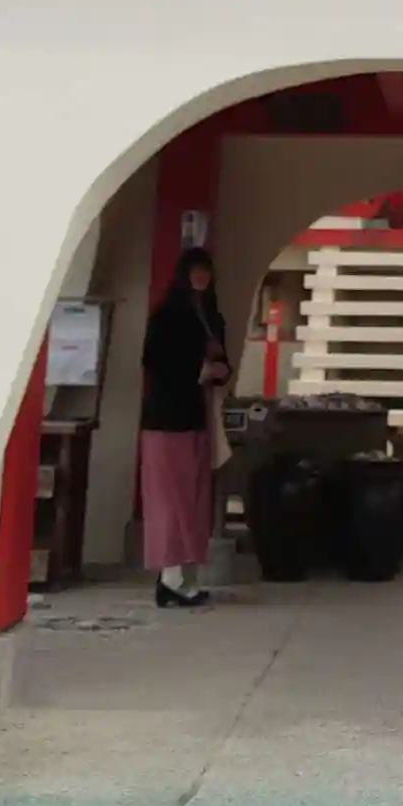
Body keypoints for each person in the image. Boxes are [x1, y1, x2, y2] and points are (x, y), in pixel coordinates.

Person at [140, 247, 231, 608]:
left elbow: (222, 360)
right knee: (170, 499)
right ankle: (171, 577)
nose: (201, 278)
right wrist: (199, 371)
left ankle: (180, 577)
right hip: (167, 419)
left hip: (197, 416)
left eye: (205, 272)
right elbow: (154, 360)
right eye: (195, 272)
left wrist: (220, 372)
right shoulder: (167, 315)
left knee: (192, 499)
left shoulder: (211, 315)